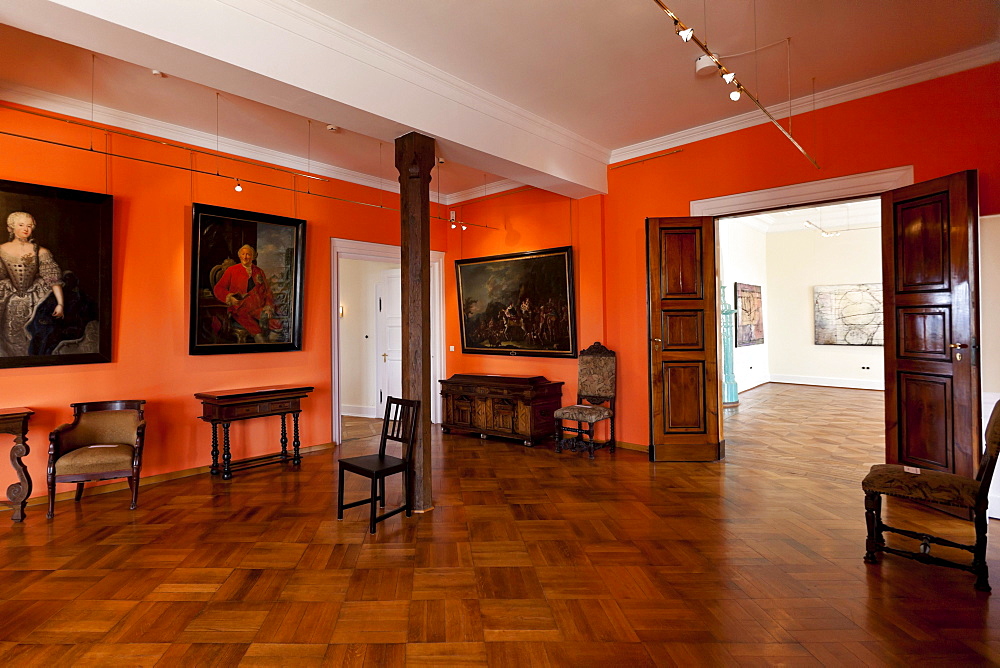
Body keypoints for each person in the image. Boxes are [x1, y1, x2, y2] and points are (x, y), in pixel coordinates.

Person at [0, 212, 65, 357]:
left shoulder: (41, 252)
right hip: (9, 302)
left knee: (34, 338)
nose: (25, 229)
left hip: (36, 301)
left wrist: (60, 304)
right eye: (21, 225)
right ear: (11, 227)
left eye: (29, 226)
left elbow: (53, 279)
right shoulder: (2, 250)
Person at [212, 244, 276, 343]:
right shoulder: (231, 270)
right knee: (258, 333)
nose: (245, 257)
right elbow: (218, 288)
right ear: (239, 256)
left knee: (276, 326)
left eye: (248, 254)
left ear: (253, 256)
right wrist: (230, 297)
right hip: (240, 310)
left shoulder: (259, 271)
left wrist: (268, 307)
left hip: (257, 308)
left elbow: (268, 291)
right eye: (243, 254)